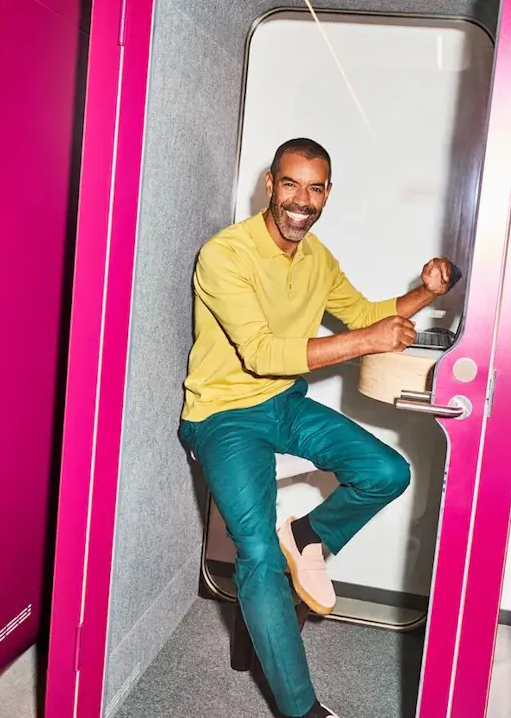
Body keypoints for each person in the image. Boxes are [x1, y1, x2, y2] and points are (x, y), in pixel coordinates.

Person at [179, 138, 455, 718]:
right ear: (269, 185)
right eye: (291, 184)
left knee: (385, 471)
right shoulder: (225, 254)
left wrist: (425, 295)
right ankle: (301, 711)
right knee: (255, 553)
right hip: (224, 414)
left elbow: (362, 315)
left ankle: (308, 535)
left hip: (284, 402)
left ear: (328, 193)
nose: (302, 201)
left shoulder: (316, 258)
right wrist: (367, 342)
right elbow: (261, 351)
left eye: (316, 188)